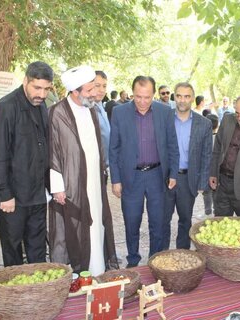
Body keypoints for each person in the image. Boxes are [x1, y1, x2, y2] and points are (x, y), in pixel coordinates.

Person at [48, 65, 119, 275]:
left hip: (95, 181)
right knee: (73, 226)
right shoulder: (57, 113)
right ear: (75, 92)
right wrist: (57, 187)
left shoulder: (92, 109)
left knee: (96, 222)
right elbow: (53, 151)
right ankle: (77, 272)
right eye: (89, 90)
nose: (93, 94)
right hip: (70, 182)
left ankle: (97, 269)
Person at [0, 61, 53, 267]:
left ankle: (38, 292)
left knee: (38, 247)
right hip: (12, 197)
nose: (41, 94)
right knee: (13, 250)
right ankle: (15, 296)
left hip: (37, 194)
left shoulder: (41, 106)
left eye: (46, 89)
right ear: (25, 81)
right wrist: (5, 194)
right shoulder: (5, 108)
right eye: (37, 87)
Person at [109, 75, 179, 267]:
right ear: (132, 93)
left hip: (157, 176)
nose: (142, 101)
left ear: (153, 94)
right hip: (131, 177)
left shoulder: (165, 112)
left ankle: (155, 260)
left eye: (147, 97)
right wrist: (116, 179)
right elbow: (113, 149)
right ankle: (133, 260)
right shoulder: (119, 112)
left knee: (158, 223)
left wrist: (173, 173)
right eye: (138, 97)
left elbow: (172, 144)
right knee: (132, 221)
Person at [162, 82, 213, 250]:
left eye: (186, 96)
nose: (182, 100)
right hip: (165, 178)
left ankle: (182, 254)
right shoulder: (164, 118)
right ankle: (161, 256)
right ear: (174, 97)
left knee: (185, 220)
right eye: (179, 96)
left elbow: (206, 155)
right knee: (163, 220)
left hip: (188, 180)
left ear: (192, 98)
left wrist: (202, 183)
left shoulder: (204, 123)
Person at [201, 113, 219, 216]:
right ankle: (216, 211)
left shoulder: (203, 138)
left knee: (206, 192)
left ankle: (207, 211)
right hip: (216, 170)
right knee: (216, 191)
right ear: (217, 125)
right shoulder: (219, 139)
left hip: (206, 170)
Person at [93, 71, 111, 167]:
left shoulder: (101, 106)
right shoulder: (86, 109)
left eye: (104, 86)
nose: (101, 90)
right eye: (97, 85)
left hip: (106, 165)